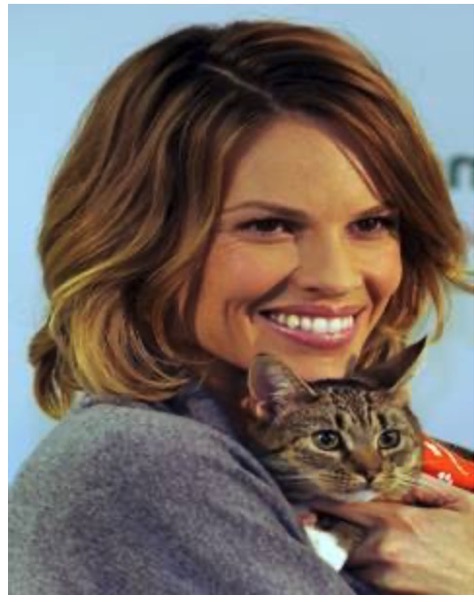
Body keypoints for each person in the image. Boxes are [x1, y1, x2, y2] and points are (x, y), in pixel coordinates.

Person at [9, 20, 474, 594]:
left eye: (371, 223)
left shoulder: (245, 450)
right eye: (269, 225)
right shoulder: (145, 463)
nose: (335, 278)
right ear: (141, 239)